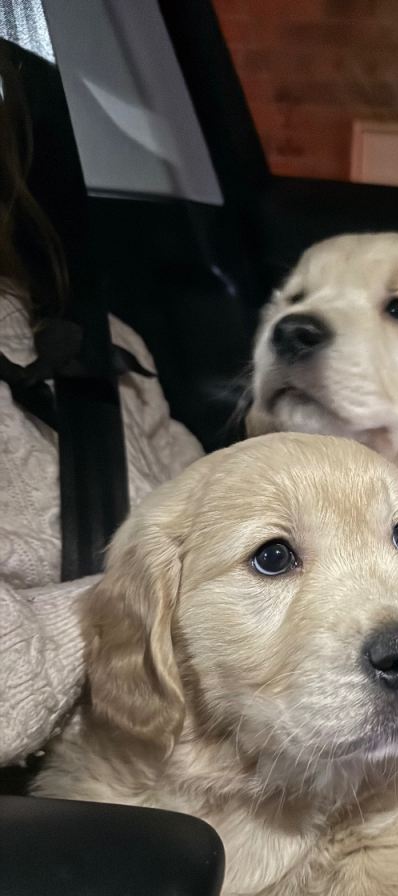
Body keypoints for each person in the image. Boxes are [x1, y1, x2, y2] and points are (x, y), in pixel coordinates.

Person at [0, 50, 202, 768]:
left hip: (214, 749)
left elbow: (215, 507)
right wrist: (141, 611)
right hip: (75, 826)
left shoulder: (104, 339)